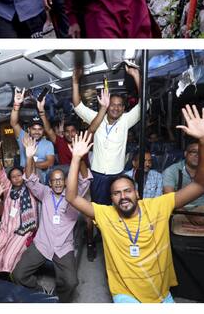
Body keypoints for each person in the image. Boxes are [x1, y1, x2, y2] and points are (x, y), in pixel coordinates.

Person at [66, 105, 204, 303]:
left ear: (137, 193)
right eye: (116, 193)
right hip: (125, 294)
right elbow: (72, 197)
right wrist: (76, 158)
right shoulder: (106, 214)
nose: (123, 197)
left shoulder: (158, 206)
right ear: (111, 199)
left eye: (127, 191)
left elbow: (202, 183)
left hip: (161, 293)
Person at [72, 64, 141, 261]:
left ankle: (112, 241)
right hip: (99, 176)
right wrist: (75, 81)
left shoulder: (126, 120)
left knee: (119, 211)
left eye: (120, 105)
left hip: (117, 176)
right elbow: (77, 105)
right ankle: (91, 242)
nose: (117, 108)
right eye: (113, 104)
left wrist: (136, 76)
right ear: (107, 103)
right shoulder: (97, 117)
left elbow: (145, 104)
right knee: (94, 213)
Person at [12, 135, 91, 302]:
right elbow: (30, 179)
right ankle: (40, 290)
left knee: (71, 282)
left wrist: (81, 157)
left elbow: (85, 180)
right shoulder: (44, 193)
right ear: (49, 183)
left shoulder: (74, 195)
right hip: (42, 243)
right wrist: (28, 156)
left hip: (63, 246)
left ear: (66, 181)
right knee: (18, 275)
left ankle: (57, 299)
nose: (57, 183)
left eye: (61, 180)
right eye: (54, 181)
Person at [0, 142, 38, 273]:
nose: (17, 178)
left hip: (22, 231)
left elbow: (30, 174)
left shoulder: (31, 188)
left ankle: (11, 283)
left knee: (8, 259)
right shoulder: (7, 189)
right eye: (13, 177)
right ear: (10, 180)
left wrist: (29, 156)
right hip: (5, 229)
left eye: (19, 175)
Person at [163, 140, 204, 218]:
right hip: (178, 210)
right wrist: (189, 216)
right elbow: (169, 197)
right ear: (185, 154)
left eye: (201, 152)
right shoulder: (172, 170)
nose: (197, 155)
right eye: (193, 152)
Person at [10, 88, 56, 183]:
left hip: (40, 178)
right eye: (34, 129)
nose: (36, 132)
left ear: (43, 131)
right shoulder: (24, 136)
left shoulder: (48, 144)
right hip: (22, 175)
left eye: (40, 129)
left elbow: (50, 162)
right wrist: (17, 105)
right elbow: (14, 123)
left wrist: (30, 164)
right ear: (29, 130)